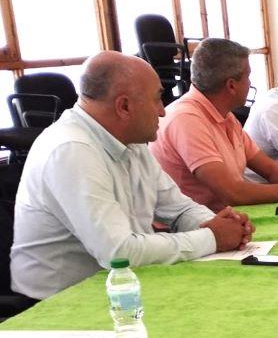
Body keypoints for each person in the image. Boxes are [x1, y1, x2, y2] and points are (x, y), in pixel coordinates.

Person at [10, 51, 252, 301]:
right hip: (58, 303)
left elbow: (178, 209)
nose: (162, 111)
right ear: (124, 106)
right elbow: (118, 253)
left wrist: (219, 224)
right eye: (157, 99)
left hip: (120, 285)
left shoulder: (131, 139)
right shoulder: (71, 150)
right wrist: (212, 237)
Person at [150, 38, 278, 211]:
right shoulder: (187, 120)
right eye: (248, 76)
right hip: (194, 227)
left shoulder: (226, 116)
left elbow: (271, 170)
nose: (250, 83)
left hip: (225, 217)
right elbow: (232, 193)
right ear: (231, 85)